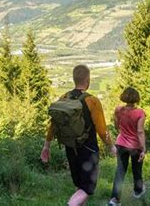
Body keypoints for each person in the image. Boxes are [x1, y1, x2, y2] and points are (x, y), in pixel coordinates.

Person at [40, 64, 116, 206]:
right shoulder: (92, 101)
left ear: (74, 79)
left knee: (80, 186)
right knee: (87, 189)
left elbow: (53, 125)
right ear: (88, 80)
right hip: (88, 151)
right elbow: (102, 130)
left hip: (70, 147)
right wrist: (111, 147)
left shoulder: (64, 98)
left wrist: (46, 146)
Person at [108, 87, 146, 206]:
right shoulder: (140, 113)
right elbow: (140, 131)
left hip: (121, 144)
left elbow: (116, 125)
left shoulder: (118, 110)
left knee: (120, 171)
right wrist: (143, 148)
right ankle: (138, 191)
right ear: (136, 98)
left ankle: (115, 200)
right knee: (136, 169)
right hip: (135, 146)